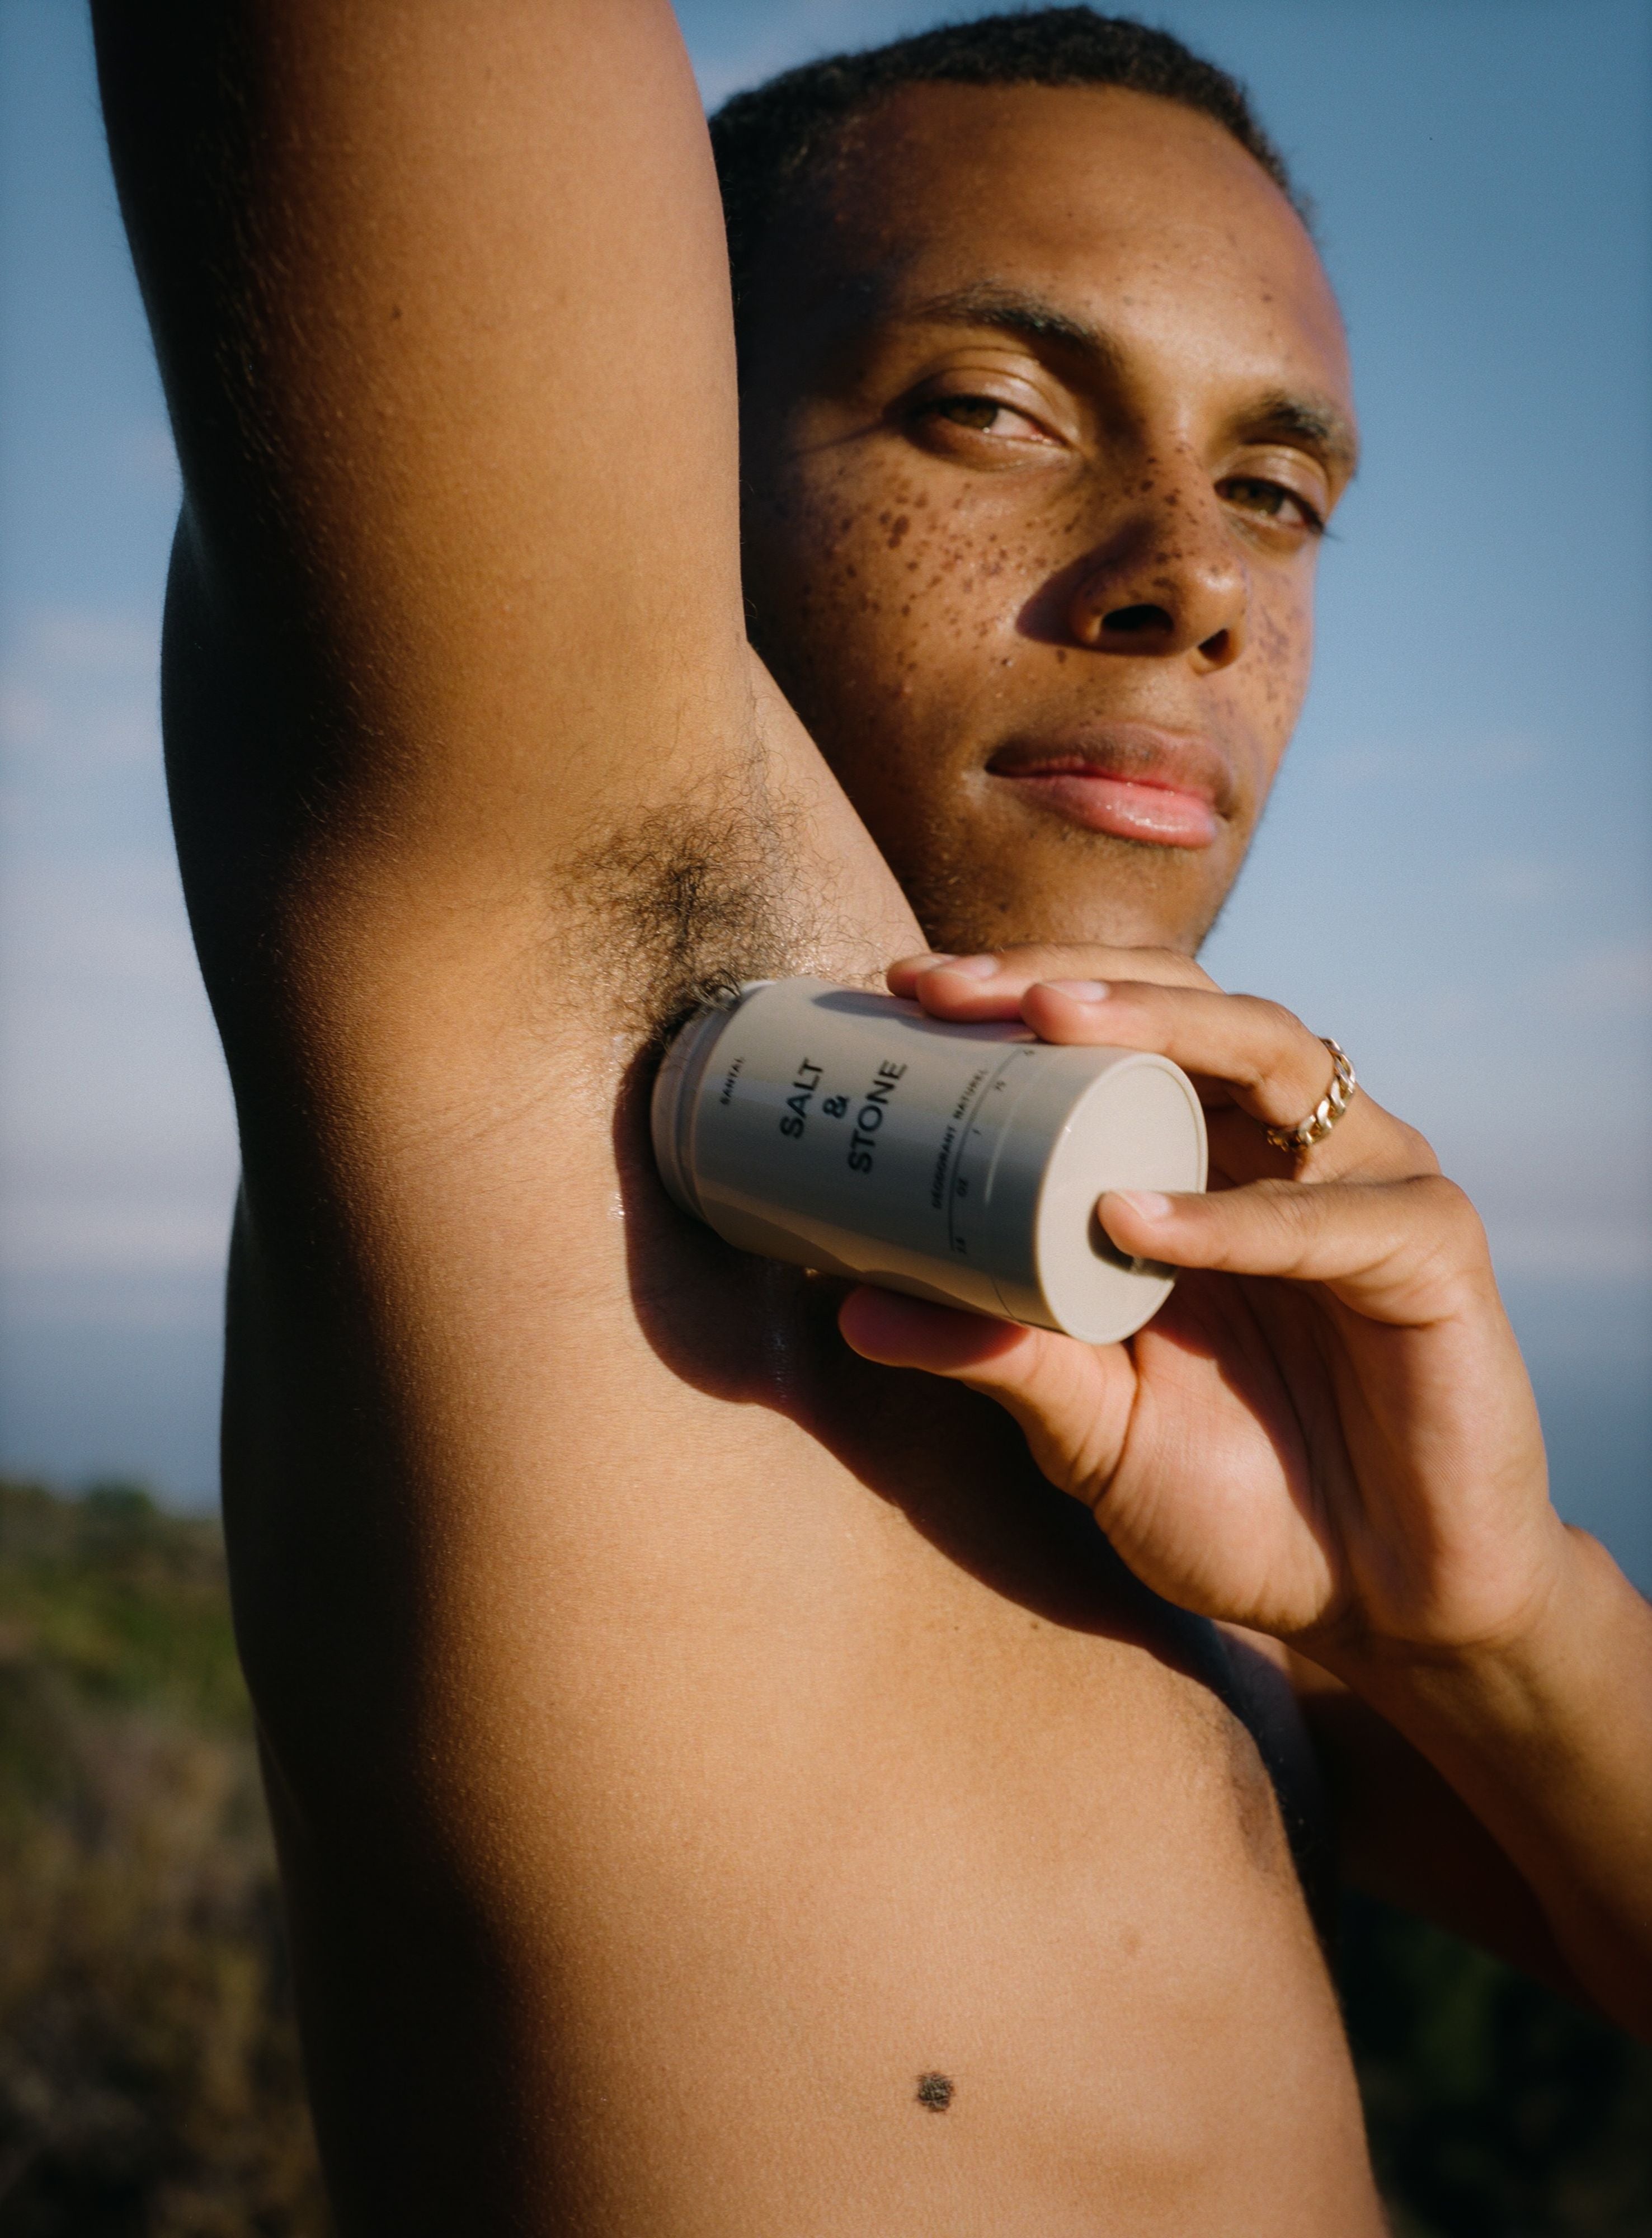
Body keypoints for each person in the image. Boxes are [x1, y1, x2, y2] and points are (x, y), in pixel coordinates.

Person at [94, 3, 1652, 2230]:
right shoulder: (600, 958)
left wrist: (1489, 1623)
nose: (1194, 584)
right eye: (990, 409)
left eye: (1275, 493)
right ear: (661, 433)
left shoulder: (1160, 1398)